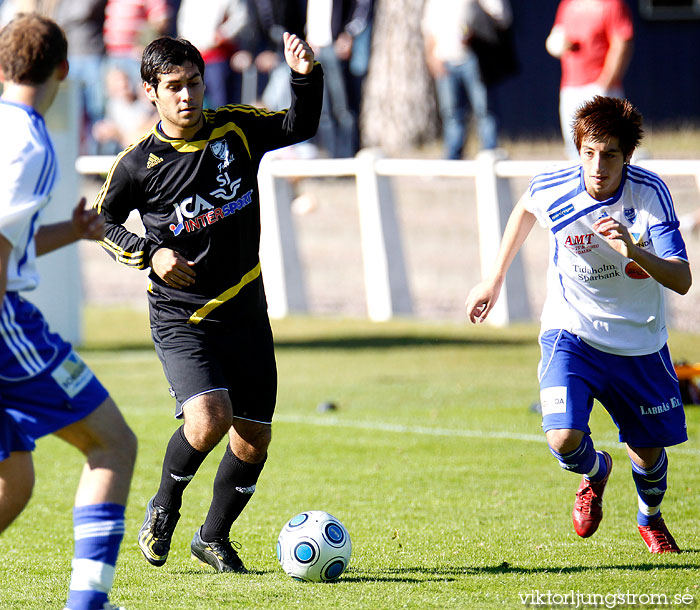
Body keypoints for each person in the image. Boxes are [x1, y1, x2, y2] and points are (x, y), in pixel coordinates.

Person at [92, 33, 323, 573]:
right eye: (173, 87)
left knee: (255, 436)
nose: (187, 96)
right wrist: (150, 255)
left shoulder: (235, 129)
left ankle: (213, 536)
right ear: (151, 91)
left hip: (246, 307)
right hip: (183, 317)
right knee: (210, 418)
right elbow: (102, 222)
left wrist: (305, 77)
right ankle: (164, 506)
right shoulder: (136, 165)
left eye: (194, 82)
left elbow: (300, 125)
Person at [466, 96, 691, 554]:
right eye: (588, 152)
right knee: (563, 437)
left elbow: (682, 279)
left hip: (639, 343)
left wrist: (635, 252)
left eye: (609, 154)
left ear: (627, 155)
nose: (597, 165)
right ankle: (595, 472)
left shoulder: (649, 194)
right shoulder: (554, 186)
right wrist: (493, 279)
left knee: (648, 455)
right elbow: (526, 210)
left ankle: (649, 517)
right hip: (572, 333)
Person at [0, 13, 137, 610]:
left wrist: (72, 231)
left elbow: (13, 239)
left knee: (15, 480)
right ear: (63, 68)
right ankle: (89, 606)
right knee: (113, 444)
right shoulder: (28, 140)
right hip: (4, 327)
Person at [421, 0, 512, 160]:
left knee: (484, 108)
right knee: (451, 112)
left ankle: (489, 155)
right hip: (445, 59)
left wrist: (478, 27)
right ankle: (453, 156)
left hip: (475, 57)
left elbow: (502, 16)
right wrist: (431, 57)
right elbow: (429, 29)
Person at [546, 0, 634, 159]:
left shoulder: (612, 5)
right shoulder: (568, 5)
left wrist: (605, 84)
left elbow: (622, 43)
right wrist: (558, 44)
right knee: (575, 149)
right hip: (571, 87)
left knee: (606, 149)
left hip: (600, 87)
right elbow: (556, 37)